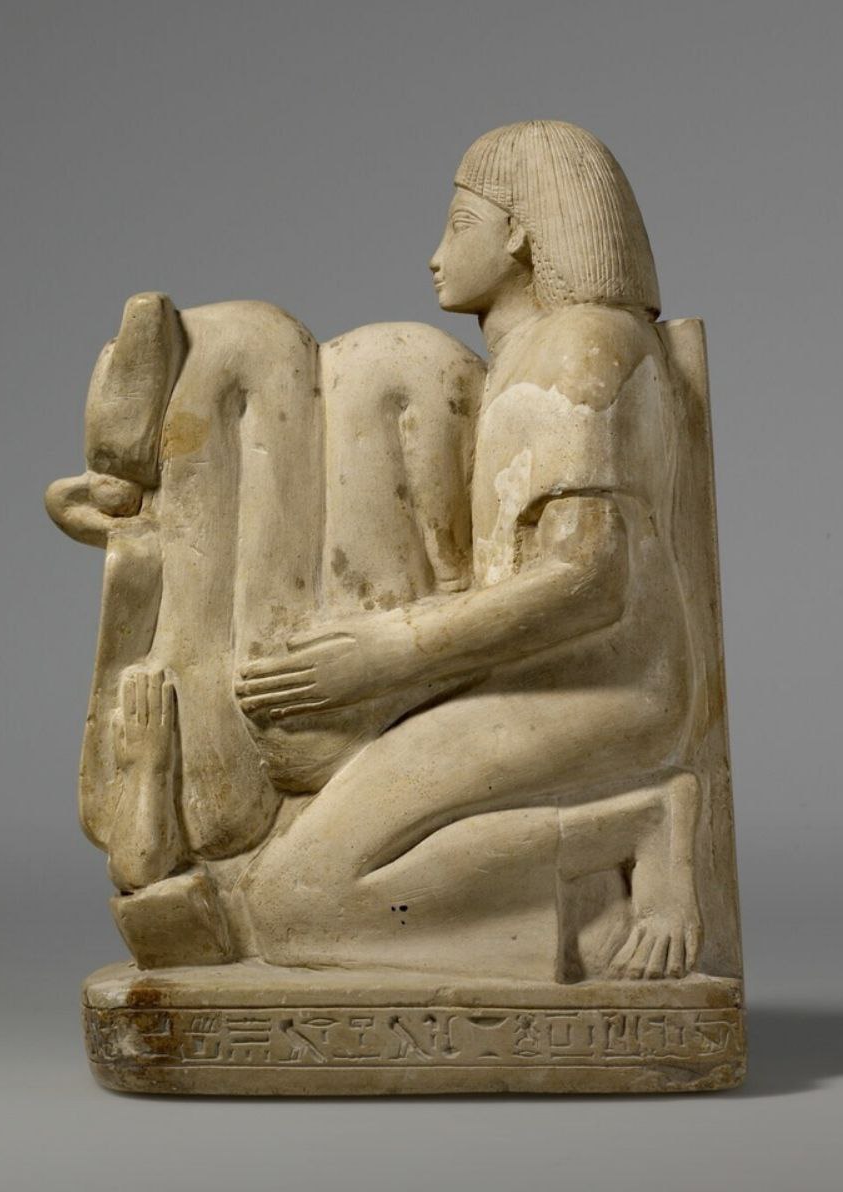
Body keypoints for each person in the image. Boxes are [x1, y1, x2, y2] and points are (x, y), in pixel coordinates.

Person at [231, 122, 704, 981]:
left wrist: (388, 653)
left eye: (460, 225)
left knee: (294, 904)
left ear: (519, 233)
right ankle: (578, 908)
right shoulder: (530, 354)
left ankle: (642, 826)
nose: (435, 255)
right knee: (290, 889)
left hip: (605, 686)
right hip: (529, 675)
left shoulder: (583, 343)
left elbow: (590, 577)